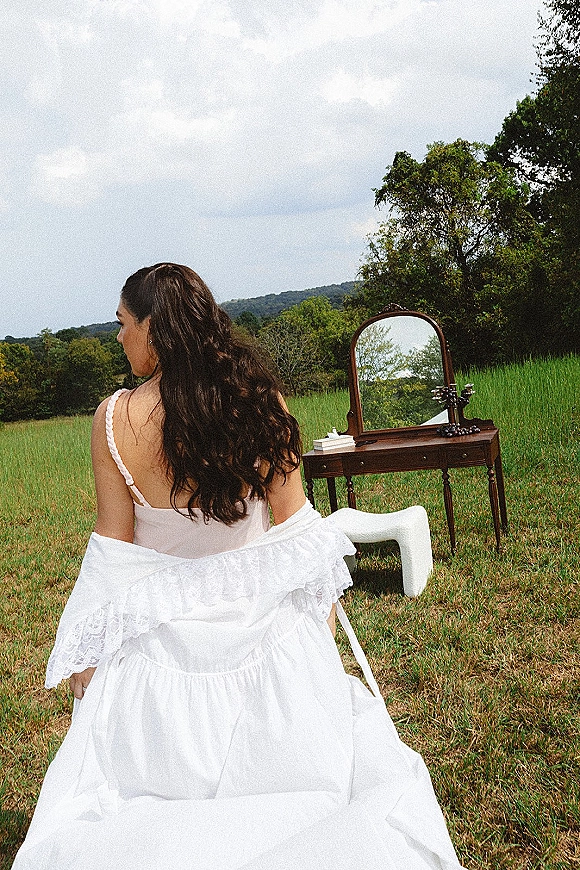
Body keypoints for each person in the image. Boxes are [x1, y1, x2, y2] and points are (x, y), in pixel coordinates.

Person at [13, 263, 464, 870]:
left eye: (123, 324)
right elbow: (296, 522)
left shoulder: (114, 421)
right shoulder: (257, 400)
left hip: (163, 644)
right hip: (263, 626)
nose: (118, 338)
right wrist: (318, 624)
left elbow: (114, 548)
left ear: (155, 328)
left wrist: (89, 651)